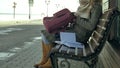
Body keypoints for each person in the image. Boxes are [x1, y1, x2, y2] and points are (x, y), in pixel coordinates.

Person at [34, 0, 102, 68]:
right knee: (46, 32)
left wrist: (76, 18)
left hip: (79, 37)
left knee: (46, 35)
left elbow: (91, 26)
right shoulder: (86, 6)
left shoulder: (96, 7)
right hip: (74, 33)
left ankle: (49, 62)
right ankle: (45, 60)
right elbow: (81, 22)